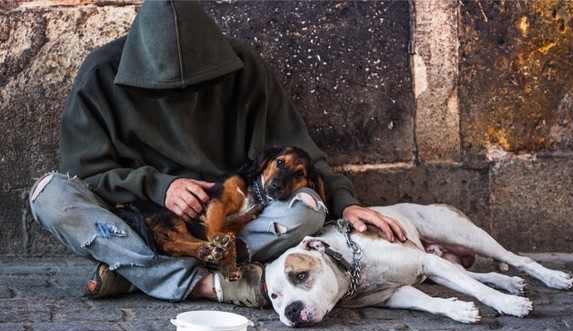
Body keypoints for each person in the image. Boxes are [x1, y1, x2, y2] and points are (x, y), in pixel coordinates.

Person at [29, 0, 406, 307]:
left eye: (195, 84)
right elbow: (86, 175)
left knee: (307, 210)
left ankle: (135, 272)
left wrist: (344, 203)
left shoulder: (242, 68)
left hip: (228, 225)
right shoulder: (100, 74)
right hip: (139, 222)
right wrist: (160, 186)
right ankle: (212, 286)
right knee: (48, 195)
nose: (182, 94)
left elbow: (299, 154)